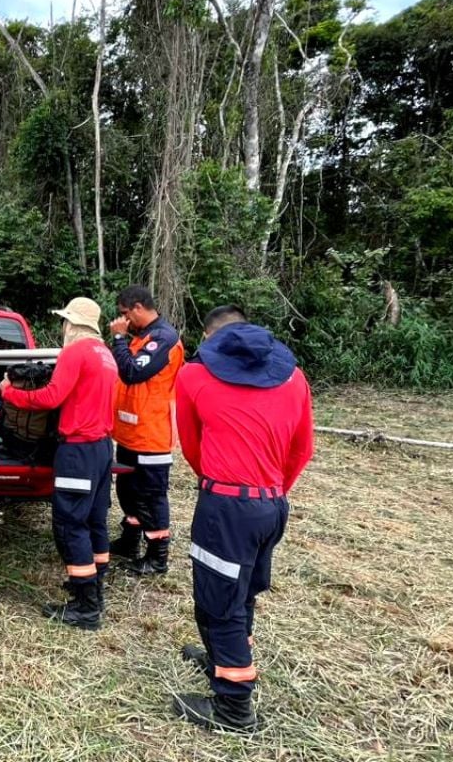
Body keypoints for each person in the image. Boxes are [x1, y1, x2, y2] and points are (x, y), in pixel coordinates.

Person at [171, 305, 314, 732]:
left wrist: (226, 487)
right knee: (243, 592)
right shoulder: (295, 378)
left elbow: (193, 447)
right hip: (272, 503)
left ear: (210, 340)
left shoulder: (194, 377)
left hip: (226, 506)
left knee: (219, 603)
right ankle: (224, 658)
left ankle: (234, 707)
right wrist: (268, 490)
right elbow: (301, 449)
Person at [0, 297, 119, 631]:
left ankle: (85, 607)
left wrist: (9, 393)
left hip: (78, 449)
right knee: (95, 520)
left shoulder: (76, 353)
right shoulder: (105, 354)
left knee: (70, 523)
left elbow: (51, 397)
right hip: (100, 448)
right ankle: (93, 587)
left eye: (64, 322)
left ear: (71, 323)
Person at [108, 285, 184, 576]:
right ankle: (130, 541)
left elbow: (132, 372)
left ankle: (157, 556)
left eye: (125, 314)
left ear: (138, 308)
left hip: (152, 435)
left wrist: (118, 338)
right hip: (129, 432)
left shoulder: (163, 339)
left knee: (152, 496)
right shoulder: (142, 337)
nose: (123, 320)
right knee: (127, 491)